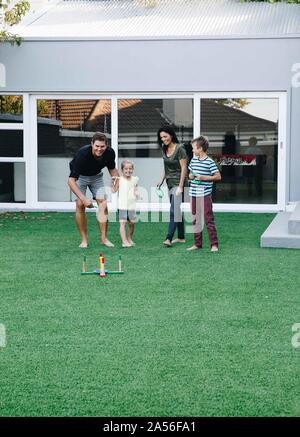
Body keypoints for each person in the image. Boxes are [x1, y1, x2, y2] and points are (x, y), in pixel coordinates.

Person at [68, 132, 119, 248]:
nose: (99, 149)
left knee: (103, 204)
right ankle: (84, 240)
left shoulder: (110, 153)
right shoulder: (83, 154)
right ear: (92, 144)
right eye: (97, 146)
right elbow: (71, 181)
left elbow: (113, 170)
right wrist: (84, 199)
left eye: (102, 146)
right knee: (80, 204)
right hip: (80, 177)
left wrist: (116, 182)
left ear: (106, 145)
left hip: (96, 176)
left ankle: (104, 239)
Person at [187, 136, 221, 252]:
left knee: (208, 219)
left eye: (193, 148)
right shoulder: (193, 160)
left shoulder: (210, 162)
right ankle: (197, 244)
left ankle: (214, 244)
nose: (192, 150)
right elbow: (190, 174)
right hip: (194, 194)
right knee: (195, 219)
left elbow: (218, 176)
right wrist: (191, 176)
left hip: (205, 195)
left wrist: (204, 178)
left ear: (200, 148)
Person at [157, 124, 187, 247]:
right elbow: (166, 166)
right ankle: (181, 237)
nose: (163, 139)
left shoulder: (180, 148)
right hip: (170, 183)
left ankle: (168, 238)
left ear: (171, 134)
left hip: (179, 183)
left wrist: (180, 186)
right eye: (161, 137)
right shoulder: (164, 148)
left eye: (165, 136)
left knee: (173, 210)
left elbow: (184, 168)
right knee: (177, 210)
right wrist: (161, 180)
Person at [118, 160, 139, 247]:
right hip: (122, 206)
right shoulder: (119, 179)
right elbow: (113, 190)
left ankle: (129, 238)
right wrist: (113, 183)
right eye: (126, 169)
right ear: (122, 170)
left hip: (131, 205)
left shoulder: (135, 179)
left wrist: (137, 194)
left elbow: (136, 188)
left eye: (130, 168)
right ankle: (124, 241)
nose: (128, 170)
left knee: (132, 223)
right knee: (122, 223)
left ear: (133, 169)